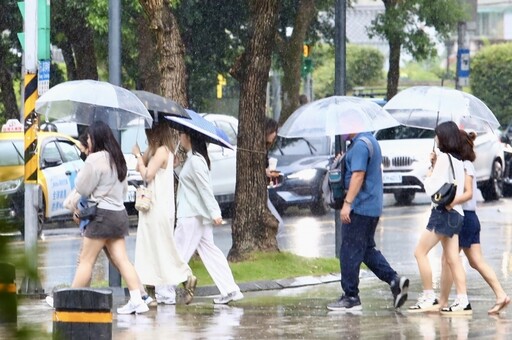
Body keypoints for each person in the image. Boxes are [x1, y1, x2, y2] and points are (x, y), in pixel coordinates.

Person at [71, 121, 149, 315]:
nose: (87, 140)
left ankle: (69, 299)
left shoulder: (95, 159)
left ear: (96, 137)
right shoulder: (117, 157)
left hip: (101, 215)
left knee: (86, 260)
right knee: (122, 260)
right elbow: (123, 190)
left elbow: (82, 188)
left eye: (89, 137)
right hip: (119, 213)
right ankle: (137, 299)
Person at [327, 131, 409, 311]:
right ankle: (395, 281)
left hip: (360, 207)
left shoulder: (360, 145)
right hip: (371, 207)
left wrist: (347, 203)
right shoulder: (369, 142)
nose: (341, 131)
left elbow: (358, 175)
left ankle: (351, 297)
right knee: (365, 250)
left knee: (349, 249)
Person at [439, 130, 510, 314]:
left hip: (465, 218)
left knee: (449, 259)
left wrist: (451, 202)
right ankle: (500, 294)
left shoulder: (465, 166)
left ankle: (446, 301)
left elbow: (467, 193)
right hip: (470, 218)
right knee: (474, 261)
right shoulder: (464, 165)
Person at [171, 128, 243, 304]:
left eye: (181, 134)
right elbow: (190, 184)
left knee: (177, 252)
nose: (180, 137)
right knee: (210, 253)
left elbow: (204, 189)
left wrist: (215, 212)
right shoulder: (193, 159)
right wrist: (176, 167)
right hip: (197, 215)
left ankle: (165, 291)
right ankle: (230, 289)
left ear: (188, 136)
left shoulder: (196, 161)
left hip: (191, 215)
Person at [408, 121, 470, 315]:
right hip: (456, 213)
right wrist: (436, 164)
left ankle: (428, 296)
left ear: (443, 137)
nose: (435, 138)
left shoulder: (444, 158)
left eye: (437, 135)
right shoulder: (459, 161)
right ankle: (462, 300)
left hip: (443, 214)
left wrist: (430, 171)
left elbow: (431, 188)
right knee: (453, 259)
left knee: (420, 252)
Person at [132, 123, 196, 305]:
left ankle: (184, 276)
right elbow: (140, 167)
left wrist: (137, 154)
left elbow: (146, 175)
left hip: (156, 208)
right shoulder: (163, 151)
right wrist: (144, 153)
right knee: (159, 248)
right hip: (161, 207)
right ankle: (174, 282)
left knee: (161, 249)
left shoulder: (161, 151)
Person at [265, 117, 284, 233]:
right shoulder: (259, 149)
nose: (274, 135)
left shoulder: (266, 149)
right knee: (278, 224)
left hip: (264, 192)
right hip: (261, 194)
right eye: (273, 132)